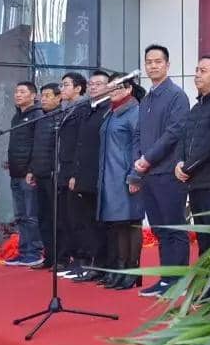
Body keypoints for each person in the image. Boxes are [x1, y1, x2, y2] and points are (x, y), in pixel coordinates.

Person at [133, 44, 191, 297]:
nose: (153, 66)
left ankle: (179, 281)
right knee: (159, 229)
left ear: (168, 65)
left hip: (168, 172)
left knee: (174, 227)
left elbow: (173, 133)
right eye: (149, 62)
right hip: (148, 174)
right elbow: (138, 133)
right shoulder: (147, 98)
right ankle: (166, 279)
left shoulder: (177, 96)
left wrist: (148, 158)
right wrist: (138, 161)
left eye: (158, 61)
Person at [174, 56, 210, 257]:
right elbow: (183, 138)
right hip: (195, 182)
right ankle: (206, 276)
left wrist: (187, 167)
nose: (197, 75)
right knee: (203, 241)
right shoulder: (196, 107)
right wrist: (179, 162)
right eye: (196, 70)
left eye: (203, 71)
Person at [98, 77, 145, 290]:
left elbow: (139, 145)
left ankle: (132, 270)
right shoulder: (111, 111)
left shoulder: (134, 111)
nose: (113, 90)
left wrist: (135, 175)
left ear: (129, 89)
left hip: (126, 176)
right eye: (111, 87)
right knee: (118, 225)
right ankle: (120, 267)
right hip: (110, 177)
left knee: (131, 223)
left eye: (118, 86)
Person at [67, 71, 111, 283]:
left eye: (99, 84)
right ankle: (93, 264)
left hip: (102, 176)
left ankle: (104, 265)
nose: (93, 87)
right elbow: (79, 145)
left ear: (109, 87)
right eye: (91, 84)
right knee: (87, 222)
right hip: (83, 176)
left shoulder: (110, 109)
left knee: (102, 223)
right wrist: (74, 174)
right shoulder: (86, 110)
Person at [5, 82, 44, 267]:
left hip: (28, 175)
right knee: (20, 216)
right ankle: (23, 252)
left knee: (31, 215)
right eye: (16, 91)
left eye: (22, 91)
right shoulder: (16, 117)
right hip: (15, 173)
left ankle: (34, 252)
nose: (18, 94)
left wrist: (32, 170)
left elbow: (38, 145)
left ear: (33, 95)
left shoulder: (38, 114)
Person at [55, 72, 87, 278]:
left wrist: (76, 172)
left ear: (78, 88)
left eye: (66, 85)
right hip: (64, 168)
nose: (62, 89)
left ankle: (82, 260)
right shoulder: (65, 109)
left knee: (77, 217)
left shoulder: (82, 109)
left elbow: (80, 144)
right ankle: (72, 258)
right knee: (66, 217)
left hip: (75, 169)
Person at [28, 83, 63, 271]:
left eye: (48, 95)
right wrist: (32, 170)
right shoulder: (41, 118)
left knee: (57, 218)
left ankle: (61, 258)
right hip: (40, 175)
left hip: (53, 175)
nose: (43, 99)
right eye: (42, 96)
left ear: (59, 97)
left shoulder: (62, 116)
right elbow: (36, 147)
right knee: (43, 218)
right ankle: (49, 256)